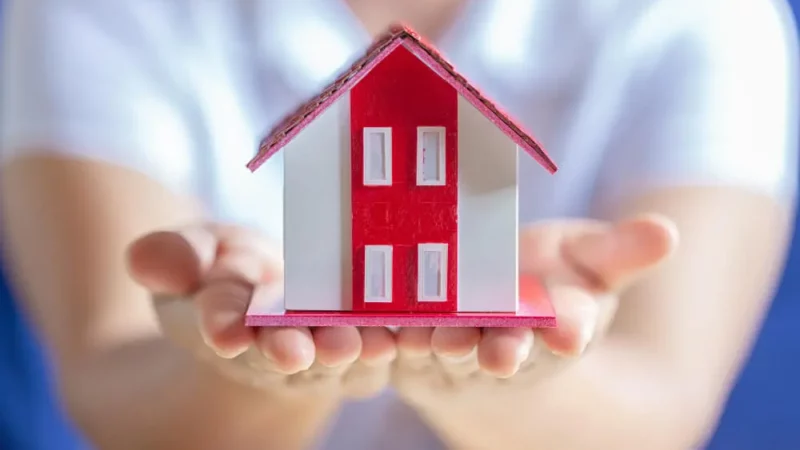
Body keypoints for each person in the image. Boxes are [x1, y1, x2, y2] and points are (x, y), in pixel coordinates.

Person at [1, 0, 797, 449]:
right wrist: (240, 371)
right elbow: (108, 380)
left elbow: (662, 409)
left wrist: (507, 386)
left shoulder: (701, 20)